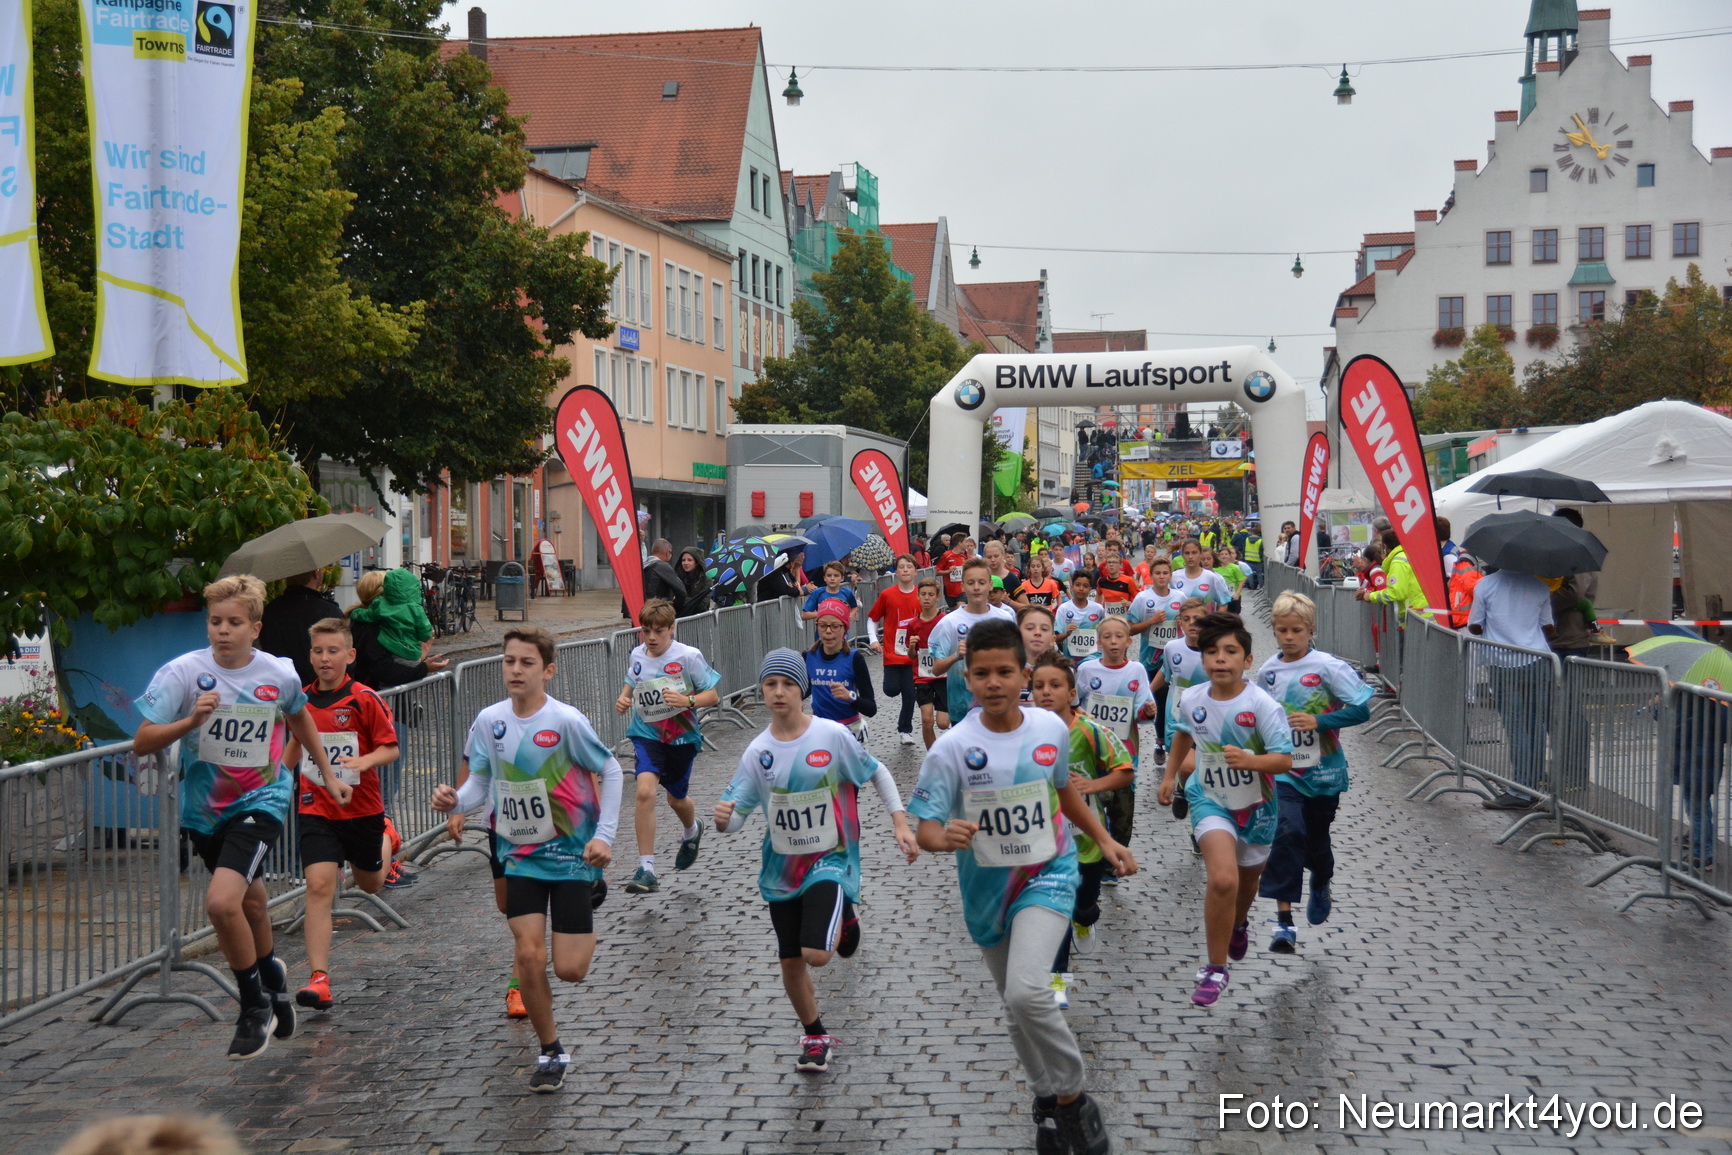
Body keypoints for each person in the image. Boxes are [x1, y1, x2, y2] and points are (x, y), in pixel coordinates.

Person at [910, 618, 1133, 1155]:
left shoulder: (1049, 730)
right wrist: (946, 838)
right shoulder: (952, 748)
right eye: (981, 673)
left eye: (1004, 672)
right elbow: (925, 829)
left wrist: (1104, 841)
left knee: (1028, 990)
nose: (993, 683)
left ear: (1023, 674)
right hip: (986, 890)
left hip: (1050, 872)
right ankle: (1047, 1100)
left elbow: (1065, 795)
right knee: (1015, 1007)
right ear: (966, 676)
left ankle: (1074, 1098)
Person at [133, 575, 352, 1059]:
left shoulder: (279, 673)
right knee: (251, 906)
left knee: (221, 903)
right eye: (215, 622)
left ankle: (254, 1006)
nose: (223, 631)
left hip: (262, 800)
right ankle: (273, 976)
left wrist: (328, 772)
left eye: (234, 623)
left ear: (256, 627)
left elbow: (299, 716)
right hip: (204, 811)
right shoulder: (182, 674)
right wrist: (191, 721)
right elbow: (143, 740)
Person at [432, 625, 622, 1092]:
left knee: (570, 969)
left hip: (571, 854)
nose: (515, 670)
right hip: (518, 853)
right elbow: (479, 783)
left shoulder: (566, 721)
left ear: (548, 671)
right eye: (509, 661)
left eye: (526, 663)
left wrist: (606, 837)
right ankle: (551, 1050)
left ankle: (591, 890)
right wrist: (454, 801)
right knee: (528, 954)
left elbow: (610, 769)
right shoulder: (489, 720)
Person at [716, 649, 919, 1074]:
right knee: (790, 960)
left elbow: (876, 771)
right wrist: (723, 819)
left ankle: (845, 906)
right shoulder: (758, 751)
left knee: (817, 955)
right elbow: (737, 817)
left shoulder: (830, 735)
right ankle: (815, 1035)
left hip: (831, 857)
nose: (778, 692)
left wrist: (899, 822)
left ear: (803, 691)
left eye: (788, 684)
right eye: (770, 684)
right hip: (782, 868)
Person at [1157, 613, 1292, 1007]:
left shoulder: (1262, 705)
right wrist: (1170, 778)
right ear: (1202, 659)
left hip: (1257, 805)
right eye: (1212, 652)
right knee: (1222, 880)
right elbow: (1183, 735)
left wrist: (1250, 760)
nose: (1220, 659)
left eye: (1230, 652)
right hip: (1209, 798)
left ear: (1247, 661)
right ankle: (1215, 968)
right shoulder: (1193, 698)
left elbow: (1284, 760)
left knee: (1247, 884)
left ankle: (1238, 922)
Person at [281, 618, 400, 1013]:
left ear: (350, 655)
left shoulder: (364, 698)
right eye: (318, 651)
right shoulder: (301, 700)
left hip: (362, 809)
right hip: (316, 808)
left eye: (333, 651)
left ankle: (388, 837)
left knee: (370, 884)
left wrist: (362, 761)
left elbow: (390, 749)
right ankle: (319, 978)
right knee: (318, 885)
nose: (324, 658)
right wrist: (279, 783)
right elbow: (295, 745)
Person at [1255, 592, 1374, 953]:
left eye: (1296, 630)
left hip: (1323, 772)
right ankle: (1284, 923)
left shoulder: (1328, 667)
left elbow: (1361, 710)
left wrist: (1319, 721)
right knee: (1287, 832)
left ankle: (1321, 880)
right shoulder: (1268, 671)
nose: (1288, 637)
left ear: (1310, 630)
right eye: (1281, 630)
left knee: (1317, 843)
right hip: (1284, 770)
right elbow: (1259, 717)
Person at [613, 598, 722, 894]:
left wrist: (687, 701)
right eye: (646, 630)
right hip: (646, 733)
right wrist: (624, 698)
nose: (651, 638)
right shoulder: (638, 653)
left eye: (659, 631)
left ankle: (691, 830)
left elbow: (712, 695)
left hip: (681, 737)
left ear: (672, 628)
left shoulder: (688, 656)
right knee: (645, 791)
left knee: (676, 799)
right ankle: (646, 868)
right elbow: (632, 680)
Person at [1467, 564, 1555, 810]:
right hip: (1536, 658)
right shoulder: (1539, 585)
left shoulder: (1486, 584)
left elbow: (1475, 625)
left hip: (1502, 661)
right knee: (1535, 724)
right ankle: (1533, 786)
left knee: (1515, 725)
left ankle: (1520, 790)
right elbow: (1548, 627)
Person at [1073, 616, 1157, 858]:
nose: (1113, 642)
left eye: (1119, 636)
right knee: (1091, 806)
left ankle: (1114, 859)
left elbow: (1143, 708)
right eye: (1107, 637)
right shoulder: (1087, 670)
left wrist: (1147, 711)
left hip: (1125, 751)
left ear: (1129, 641)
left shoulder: (1136, 670)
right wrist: (1081, 714)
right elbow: (1073, 701)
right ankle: (1093, 857)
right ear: (1098, 643)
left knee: (1122, 810)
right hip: (1090, 749)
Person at [928, 557, 1017, 727]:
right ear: (962, 586)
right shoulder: (949, 623)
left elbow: (1017, 660)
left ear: (990, 585)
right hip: (962, 710)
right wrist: (956, 656)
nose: (976, 587)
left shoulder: (1005, 618)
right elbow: (936, 669)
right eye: (971, 582)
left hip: (999, 705)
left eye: (981, 582)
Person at [1127, 556, 1184, 764]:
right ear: (1150, 576)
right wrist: (1151, 621)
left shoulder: (1180, 597)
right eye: (1157, 573)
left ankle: (1179, 743)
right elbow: (1129, 628)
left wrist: (1182, 622)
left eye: (1165, 573)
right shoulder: (1143, 599)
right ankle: (1160, 741)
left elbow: (1190, 625)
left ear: (1170, 575)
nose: (1161, 577)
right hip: (1151, 660)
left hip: (1176, 660)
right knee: (1159, 702)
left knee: (1176, 702)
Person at [866, 554, 924, 745]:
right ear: (896, 572)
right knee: (891, 690)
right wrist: (874, 640)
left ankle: (905, 730)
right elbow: (873, 618)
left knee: (910, 694)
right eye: (901, 567)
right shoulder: (887, 595)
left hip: (913, 656)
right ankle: (903, 723)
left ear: (916, 571)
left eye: (909, 567)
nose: (905, 570)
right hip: (892, 653)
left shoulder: (921, 595)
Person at [805, 599, 878, 746]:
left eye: (835, 626)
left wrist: (850, 697)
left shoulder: (854, 658)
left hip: (850, 731)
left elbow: (871, 708)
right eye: (823, 625)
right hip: (820, 731)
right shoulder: (808, 657)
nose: (828, 631)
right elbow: (802, 692)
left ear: (845, 628)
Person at [257, 570, 342, 687]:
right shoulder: (330, 611)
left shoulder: (269, 611)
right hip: (321, 688)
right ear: (315, 575)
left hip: (277, 686)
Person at [348, 568, 434, 668]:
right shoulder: (377, 626)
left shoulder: (360, 619)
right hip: (380, 680)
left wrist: (354, 614)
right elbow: (388, 670)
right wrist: (423, 668)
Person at [904, 576, 948, 747]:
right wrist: (912, 647)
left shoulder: (945, 620)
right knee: (926, 719)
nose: (927, 598)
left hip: (943, 675)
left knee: (943, 723)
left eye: (931, 594)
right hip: (922, 676)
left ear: (938, 597)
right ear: (918, 596)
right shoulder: (913, 624)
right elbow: (911, 656)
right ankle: (934, 756)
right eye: (923, 594)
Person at [1053, 572, 1106, 665]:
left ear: (1090, 589)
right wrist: (1067, 634)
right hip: (1070, 660)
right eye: (1078, 585)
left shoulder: (1098, 609)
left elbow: (1105, 634)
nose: (1081, 589)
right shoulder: (1063, 609)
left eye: (1085, 586)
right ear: (1072, 587)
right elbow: (1055, 638)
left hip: (1094, 659)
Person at [1172, 539, 1230, 609]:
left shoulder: (1211, 577)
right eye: (1187, 553)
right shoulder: (1174, 577)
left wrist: (1215, 619)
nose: (1190, 557)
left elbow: (1223, 603)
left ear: (1200, 554)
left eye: (1194, 553)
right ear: (1182, 555)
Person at [801, 562, 858, 630]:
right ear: (824, 578)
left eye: (836, 575)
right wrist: (823, 612)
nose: (832, 578)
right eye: (829, 575)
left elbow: (854, 607)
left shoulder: (847, 593)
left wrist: (850, 615)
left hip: (841, 635)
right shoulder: (818, 592)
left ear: (842, 578)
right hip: (822, 635)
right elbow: (804, 615)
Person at [639, 539, 688, 609]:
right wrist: (674, 608)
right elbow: (681, 592)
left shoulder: (641, 567)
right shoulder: (663, 567)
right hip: (658, 612)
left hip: (642, 612)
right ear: (667, 553)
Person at [676, 547, 712, 617]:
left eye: (689, 560)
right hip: (680, 620)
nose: (686, 563)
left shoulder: (706, 581)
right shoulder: (677, 579)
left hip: (700, 621)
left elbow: (702, 605)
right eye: (683, 560)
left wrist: (681, 598)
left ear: (697, 562)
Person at [938, 537, 972, 609]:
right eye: (966, 542)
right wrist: (948, 571)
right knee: (953, 611)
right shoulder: (947, 555)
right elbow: (937, 572)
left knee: (961, 608)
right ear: (960, 543)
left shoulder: (965, 556)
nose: (967, 544)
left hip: (962, 589)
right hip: (950, 589)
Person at [1215, 545, 1247, 615]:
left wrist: (1237, 593)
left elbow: (1241, 581)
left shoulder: (1235, 568)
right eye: (1222, 554)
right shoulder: (1216, 569)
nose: (1224, 556)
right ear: (1218, 556)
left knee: (1234, 615)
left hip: (1233, 595)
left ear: (1229, 556)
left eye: (1226, 554)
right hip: (1221, 595)